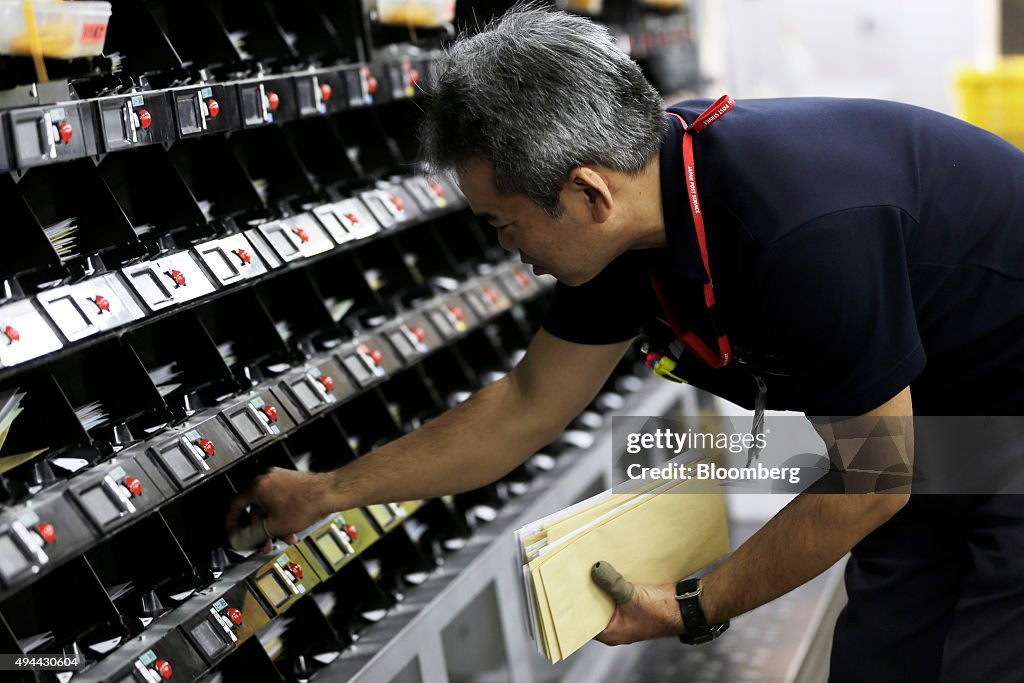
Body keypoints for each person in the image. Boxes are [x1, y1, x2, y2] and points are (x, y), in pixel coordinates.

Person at [225, 7, 1024, 681]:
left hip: (1004, 413)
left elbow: (873, 482)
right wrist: (327, 491)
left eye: (503, 224)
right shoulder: (630, 225)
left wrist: (692, 605)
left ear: (586, 192)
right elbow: (524, 407)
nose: (506, 246)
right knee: (884, 657)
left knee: (982, 659)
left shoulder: (800, 231)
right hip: (937, 423)